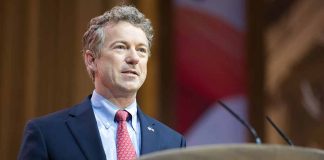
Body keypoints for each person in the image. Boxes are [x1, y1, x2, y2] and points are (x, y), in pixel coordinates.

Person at [18, 5, 186, 160]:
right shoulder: (47, 133)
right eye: (121, 47)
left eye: (141, 50)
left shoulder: (173, 143)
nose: (134, 58)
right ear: (91, 60)